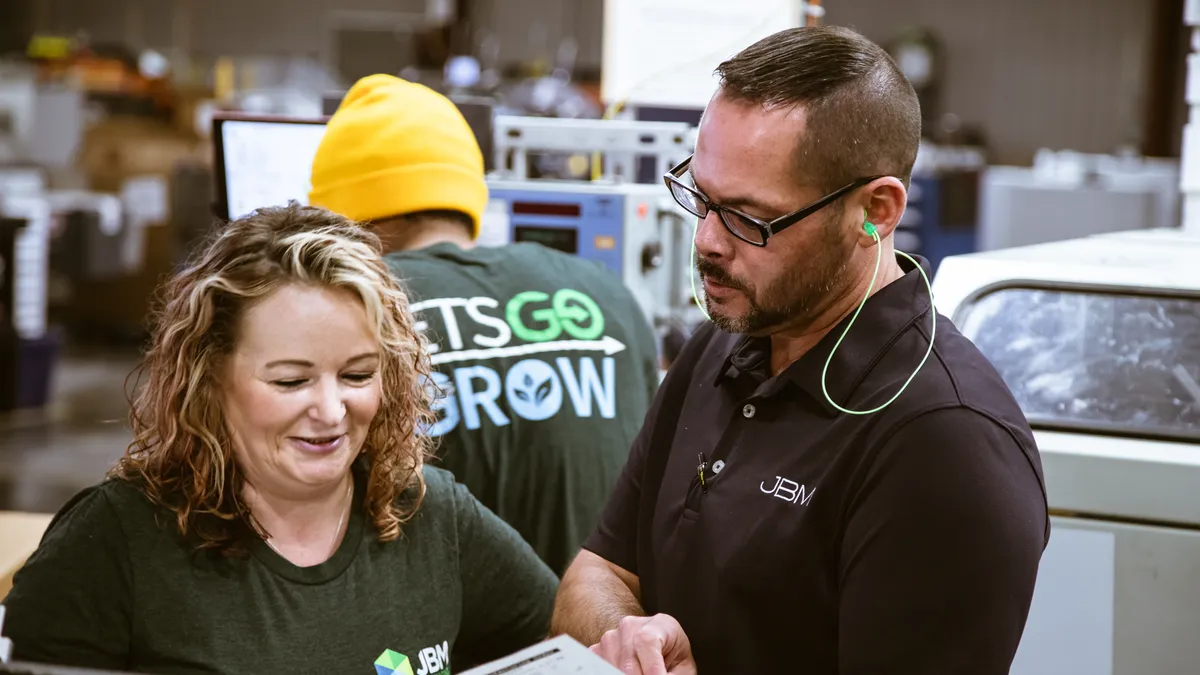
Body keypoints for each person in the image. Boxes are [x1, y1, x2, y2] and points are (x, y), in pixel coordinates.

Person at [551, 26, 1050, 675]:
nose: (705, 240)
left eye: (748, 217)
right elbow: (594, 574)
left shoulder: (944, 444)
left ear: (875, 211)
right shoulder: (721, 347)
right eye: (699, 196)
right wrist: (627, 636)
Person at [2, 204, 558, 674]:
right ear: (210, 377)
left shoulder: (435, 518)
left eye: (359, 374)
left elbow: (566, 644)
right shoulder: (116, 542)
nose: (332, 410)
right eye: (291, 381)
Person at [307, 74, 661, 576]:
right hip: (609, 638)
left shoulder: (354, 311)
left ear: (338, 221)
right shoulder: (607, 293)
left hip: (450, 650)